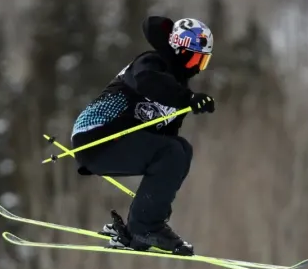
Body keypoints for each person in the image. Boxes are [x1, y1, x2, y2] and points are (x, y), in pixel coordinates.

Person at [70, 16, 216, 256]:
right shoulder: (152, 62)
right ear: (178, 50)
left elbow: (167, 149)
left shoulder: (179, 90)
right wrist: (187, 99)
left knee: (180, 150)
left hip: (115, 145)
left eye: (202, 62)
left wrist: (158, 197)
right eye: (192, 58)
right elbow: (149, 82)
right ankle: (145, 227)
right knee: (172, 152)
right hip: (97, 136)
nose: (194, 67)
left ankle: (140, 227)